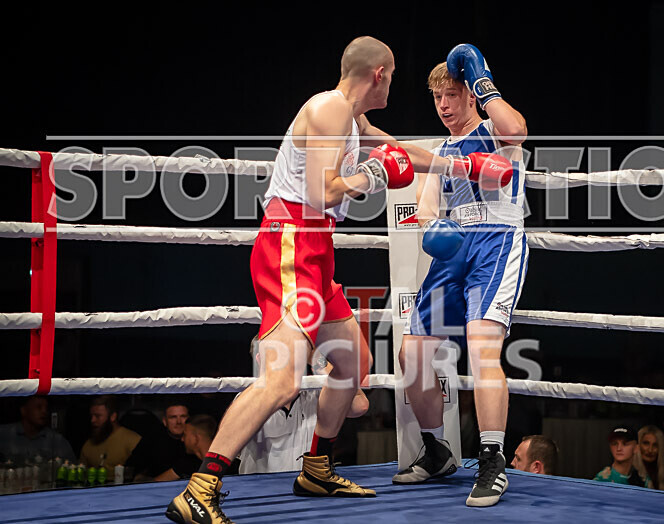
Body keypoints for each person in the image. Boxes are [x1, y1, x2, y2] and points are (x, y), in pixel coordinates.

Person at [166, 36, 495, 524]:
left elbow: (394, 149)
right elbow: (324, 192)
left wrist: (464, 165)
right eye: (395, 76)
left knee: (352, 361)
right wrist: (374, 173)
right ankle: (201, 485)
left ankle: (316, 466)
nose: (394, 85)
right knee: (281, 382)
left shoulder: (352, 118)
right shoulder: (327, 110)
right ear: (379, 74)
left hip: (314, 249)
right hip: (291, 243)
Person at [392, 43, 526, 509]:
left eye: (452, 94)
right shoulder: (443, 150)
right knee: (413, 353)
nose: (444, 105)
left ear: (471, 93)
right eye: (437, 98)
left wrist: (482, 78)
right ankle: (436, 451)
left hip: (497, 240)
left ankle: (492, 459)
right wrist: (434, 229)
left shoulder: (495, 129)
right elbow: (427, 208)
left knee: (481, 345)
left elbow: (518, 128)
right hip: (456, 247)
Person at [239, 336, 370, 473]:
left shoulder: (315, 394)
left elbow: (359, 405)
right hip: (263, 491)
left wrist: (316, 359)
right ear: (260, 359)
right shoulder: (247, 400)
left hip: (307, 490)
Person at [126, 401, 194, 481]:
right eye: (173, 417)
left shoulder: (196, 441)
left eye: (183, 416)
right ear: (165, 421)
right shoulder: (152, 440)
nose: (178, 422)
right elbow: (132, 468)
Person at [156, 415, 236, 481]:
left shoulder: (232, 465)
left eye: (185, 435)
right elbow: (154, 484)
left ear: (195, 438)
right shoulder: (186, 465)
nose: (182, 439)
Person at [0, 396, 75, 465]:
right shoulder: (4, 434)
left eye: (46, 408)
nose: (44, 411)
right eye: (39, 407)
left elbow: (72, 468)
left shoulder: (57, 441)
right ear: (23, 410)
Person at [79, 395, 141, 469]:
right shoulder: (88, 445)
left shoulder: (133, 441)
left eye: (97, 416)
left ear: (113, 417)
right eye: (91, 416)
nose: (92, 420)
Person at [631, 425, 664, 490]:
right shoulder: (630, 474)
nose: (650, 450)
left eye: (655, 445)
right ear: (638, 445)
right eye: (646, 443)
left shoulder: (661, 473)